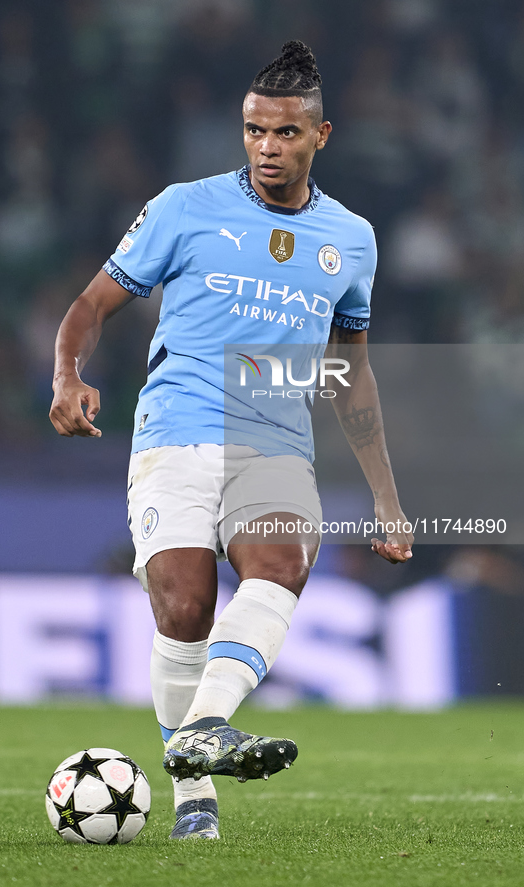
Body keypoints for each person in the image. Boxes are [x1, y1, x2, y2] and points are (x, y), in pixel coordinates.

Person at [50, 41, 413, 841]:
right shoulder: (184, 206)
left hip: (276, 438)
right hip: (175, 429)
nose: (266, 149)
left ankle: (205, 726)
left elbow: (351, 373)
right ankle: (193, 801)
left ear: (321, 136)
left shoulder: (351, 240)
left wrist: (386, 497)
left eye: (284, 134)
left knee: (280, 561)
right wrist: (66, 374)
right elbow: (90, 301)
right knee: (183, 609)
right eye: (253, 131)